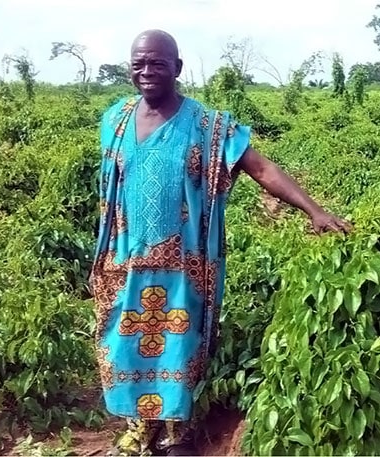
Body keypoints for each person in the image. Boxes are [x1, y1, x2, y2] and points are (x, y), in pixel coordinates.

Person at [89, 29, 352, 456]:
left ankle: (178, 432)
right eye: (139, 63)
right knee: (127, 344)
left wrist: (314, 209)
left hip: (185, 263)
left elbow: (261, 168)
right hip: (126, 261)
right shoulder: (114, 120)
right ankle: (141, 427)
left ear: (177, 67)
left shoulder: (208, 126)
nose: (147, 71)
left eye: (157, 63)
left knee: (178, 345)